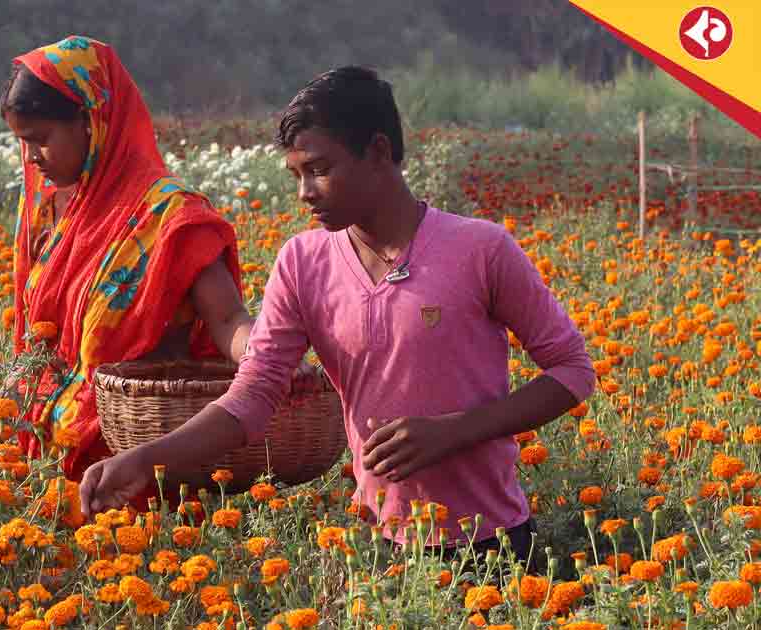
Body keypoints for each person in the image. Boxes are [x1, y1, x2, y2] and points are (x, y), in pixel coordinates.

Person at [79, 66, 596, 567]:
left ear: (378, 152)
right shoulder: (303, 263)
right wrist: (146, 459)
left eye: (320, 169)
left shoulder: (480, 249)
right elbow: (252, 397)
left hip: (494, 546)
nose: (305, 192)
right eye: (296, 174)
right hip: (386, 549)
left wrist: (453, 431)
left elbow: (573, 371)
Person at [0, 36, 256, 490]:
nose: (31, 157)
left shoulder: (168, 218)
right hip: (44, 467)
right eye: (22, 142)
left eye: (41, 139)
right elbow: (38, 354)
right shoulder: (52, 217)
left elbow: (227, 319)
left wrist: (272, 361)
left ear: (92, 122)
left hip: (133, 472)